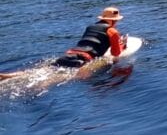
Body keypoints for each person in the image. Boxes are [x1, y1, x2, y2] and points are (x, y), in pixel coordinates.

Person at [0, 7, 129, 82]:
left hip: (70, 54)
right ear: (113, 21)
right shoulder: (112, 31)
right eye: (116, 21)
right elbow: (115, 53)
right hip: (82, 60)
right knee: (51, 78)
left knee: (42, 71)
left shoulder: (91, 27)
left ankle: (8, 76)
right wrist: (122, 44)